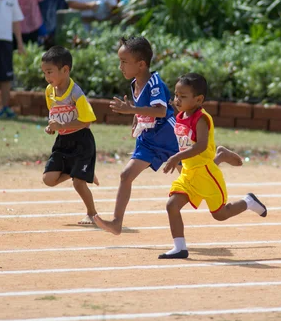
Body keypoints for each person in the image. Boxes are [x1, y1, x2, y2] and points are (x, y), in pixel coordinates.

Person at [93, 37, 243, 236]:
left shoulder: (154, 83)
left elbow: (161, 111)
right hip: (148, 139)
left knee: (194, 174)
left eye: (123, 61)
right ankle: (116, 222)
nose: (120, 66)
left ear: (141, 64)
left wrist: (131, 110)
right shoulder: (134, 83)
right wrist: (136, 119)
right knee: (126, 176)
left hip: (169, 135)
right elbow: (143, 110)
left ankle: (218, 157)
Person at [159, 73, 267, 259]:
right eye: (176, 95)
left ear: (199, 99)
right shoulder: (182, 115)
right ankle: (180, 248)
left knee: (220, 214)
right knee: (172, 205)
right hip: (189, 173)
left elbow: (201, 146)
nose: (177, 100)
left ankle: (248, 202)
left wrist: (176, 157)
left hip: (207, 174)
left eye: (182, 96)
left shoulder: (201, 118)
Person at [41, 46, 99, 225]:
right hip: (63, 141)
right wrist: (52, 128)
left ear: (65, 70)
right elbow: (55, 116)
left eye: (50, 72)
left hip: (82, 141)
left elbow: (87, 121)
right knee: (48, 179)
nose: (47, 77)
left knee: (78, 183)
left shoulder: (76, 93)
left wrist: (61, 125)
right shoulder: (49, 91)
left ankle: (92, 214)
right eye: (44, 72)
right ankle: (80, 171)